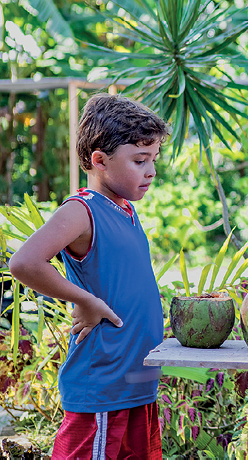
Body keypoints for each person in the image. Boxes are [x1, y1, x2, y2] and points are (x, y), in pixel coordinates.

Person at [8, 94, 170, 459]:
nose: (151, 171)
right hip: (103, 386)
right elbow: (24, 262)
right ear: (99, 160)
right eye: (140, 160)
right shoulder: (83, 210)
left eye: (153, 160)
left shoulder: (125, 209)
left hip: (135, 385)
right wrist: (86, 300)